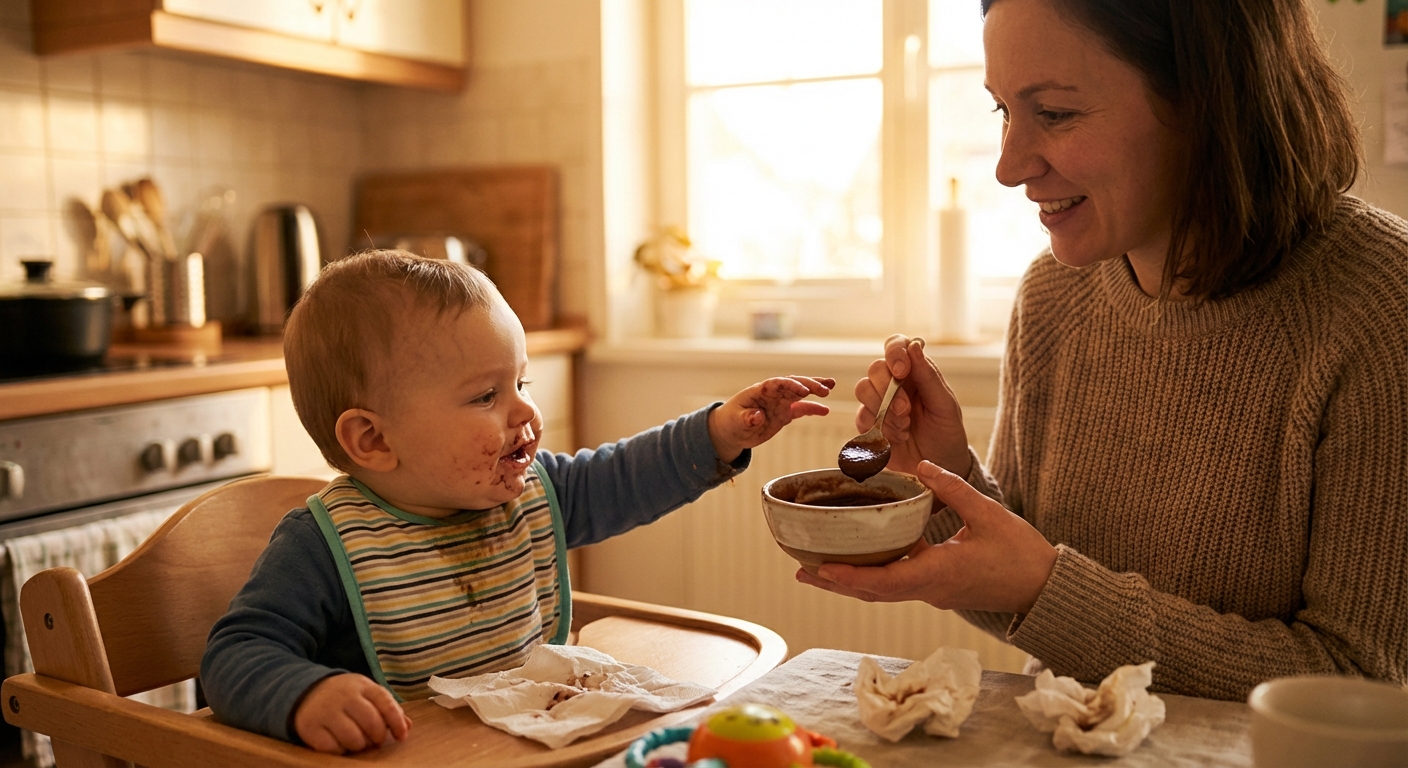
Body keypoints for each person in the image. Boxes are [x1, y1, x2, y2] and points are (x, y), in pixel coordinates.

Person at [800, 0, 1408, 701]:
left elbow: (1366, 686)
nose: (1008, 166)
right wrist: (946, 476)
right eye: (1003, 111)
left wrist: (1048, 585)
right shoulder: (1055, 295)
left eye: (1054, 114)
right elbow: (1031, 600)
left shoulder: (1380, 309)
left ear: (1211, 102)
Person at [201, 251, 834, 753]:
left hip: (529, 748)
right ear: (372, 438)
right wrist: (304, 695)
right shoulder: (325, 546)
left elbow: (623, 476)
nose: (526, 410)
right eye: (485, 396)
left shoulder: (531, 496)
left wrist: (719, 433)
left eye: (520, 382)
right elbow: (235, 654)